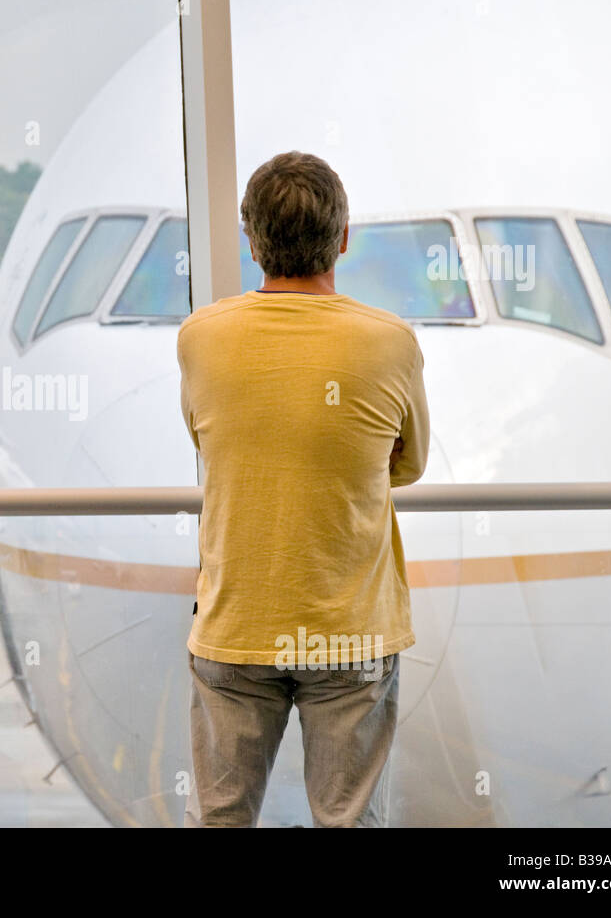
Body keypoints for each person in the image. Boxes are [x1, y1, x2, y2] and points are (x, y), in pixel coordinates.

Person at [177, 151, 429, 827]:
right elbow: (408, 465)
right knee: (348, 819)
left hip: (235, 623)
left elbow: (208, 445)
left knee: (222, 819)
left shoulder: (200, 337)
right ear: (342, 237)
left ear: (251, 239)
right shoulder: (391, 342)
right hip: (349, 630)